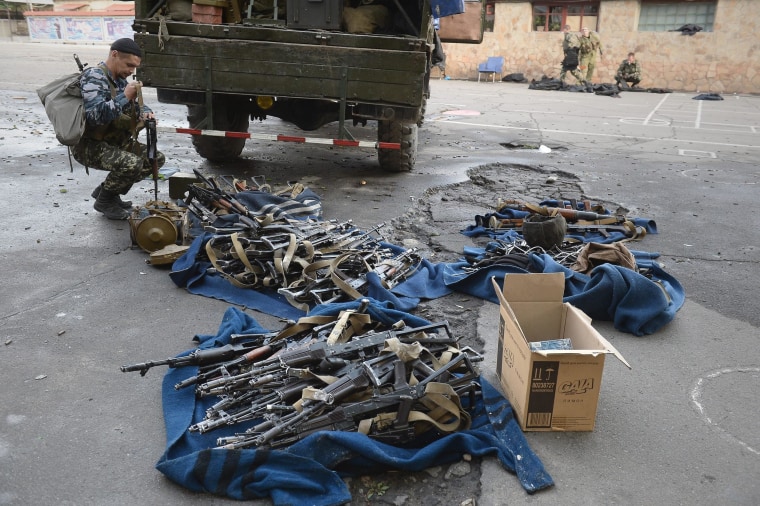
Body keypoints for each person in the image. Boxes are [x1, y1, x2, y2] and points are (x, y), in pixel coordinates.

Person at [72, 38, 165, 220]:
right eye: (129, 65)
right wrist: (125, 96)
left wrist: (147, 113)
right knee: (132, 163)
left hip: (112, 142)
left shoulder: (120, 80)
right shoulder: (94, 77)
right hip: (89, 146)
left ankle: (108, 191)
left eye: (135, 67)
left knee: (155, 159)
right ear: (114, 54)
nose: (131, 71)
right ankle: (104, 201)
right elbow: (94, 115)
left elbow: (136, 107)